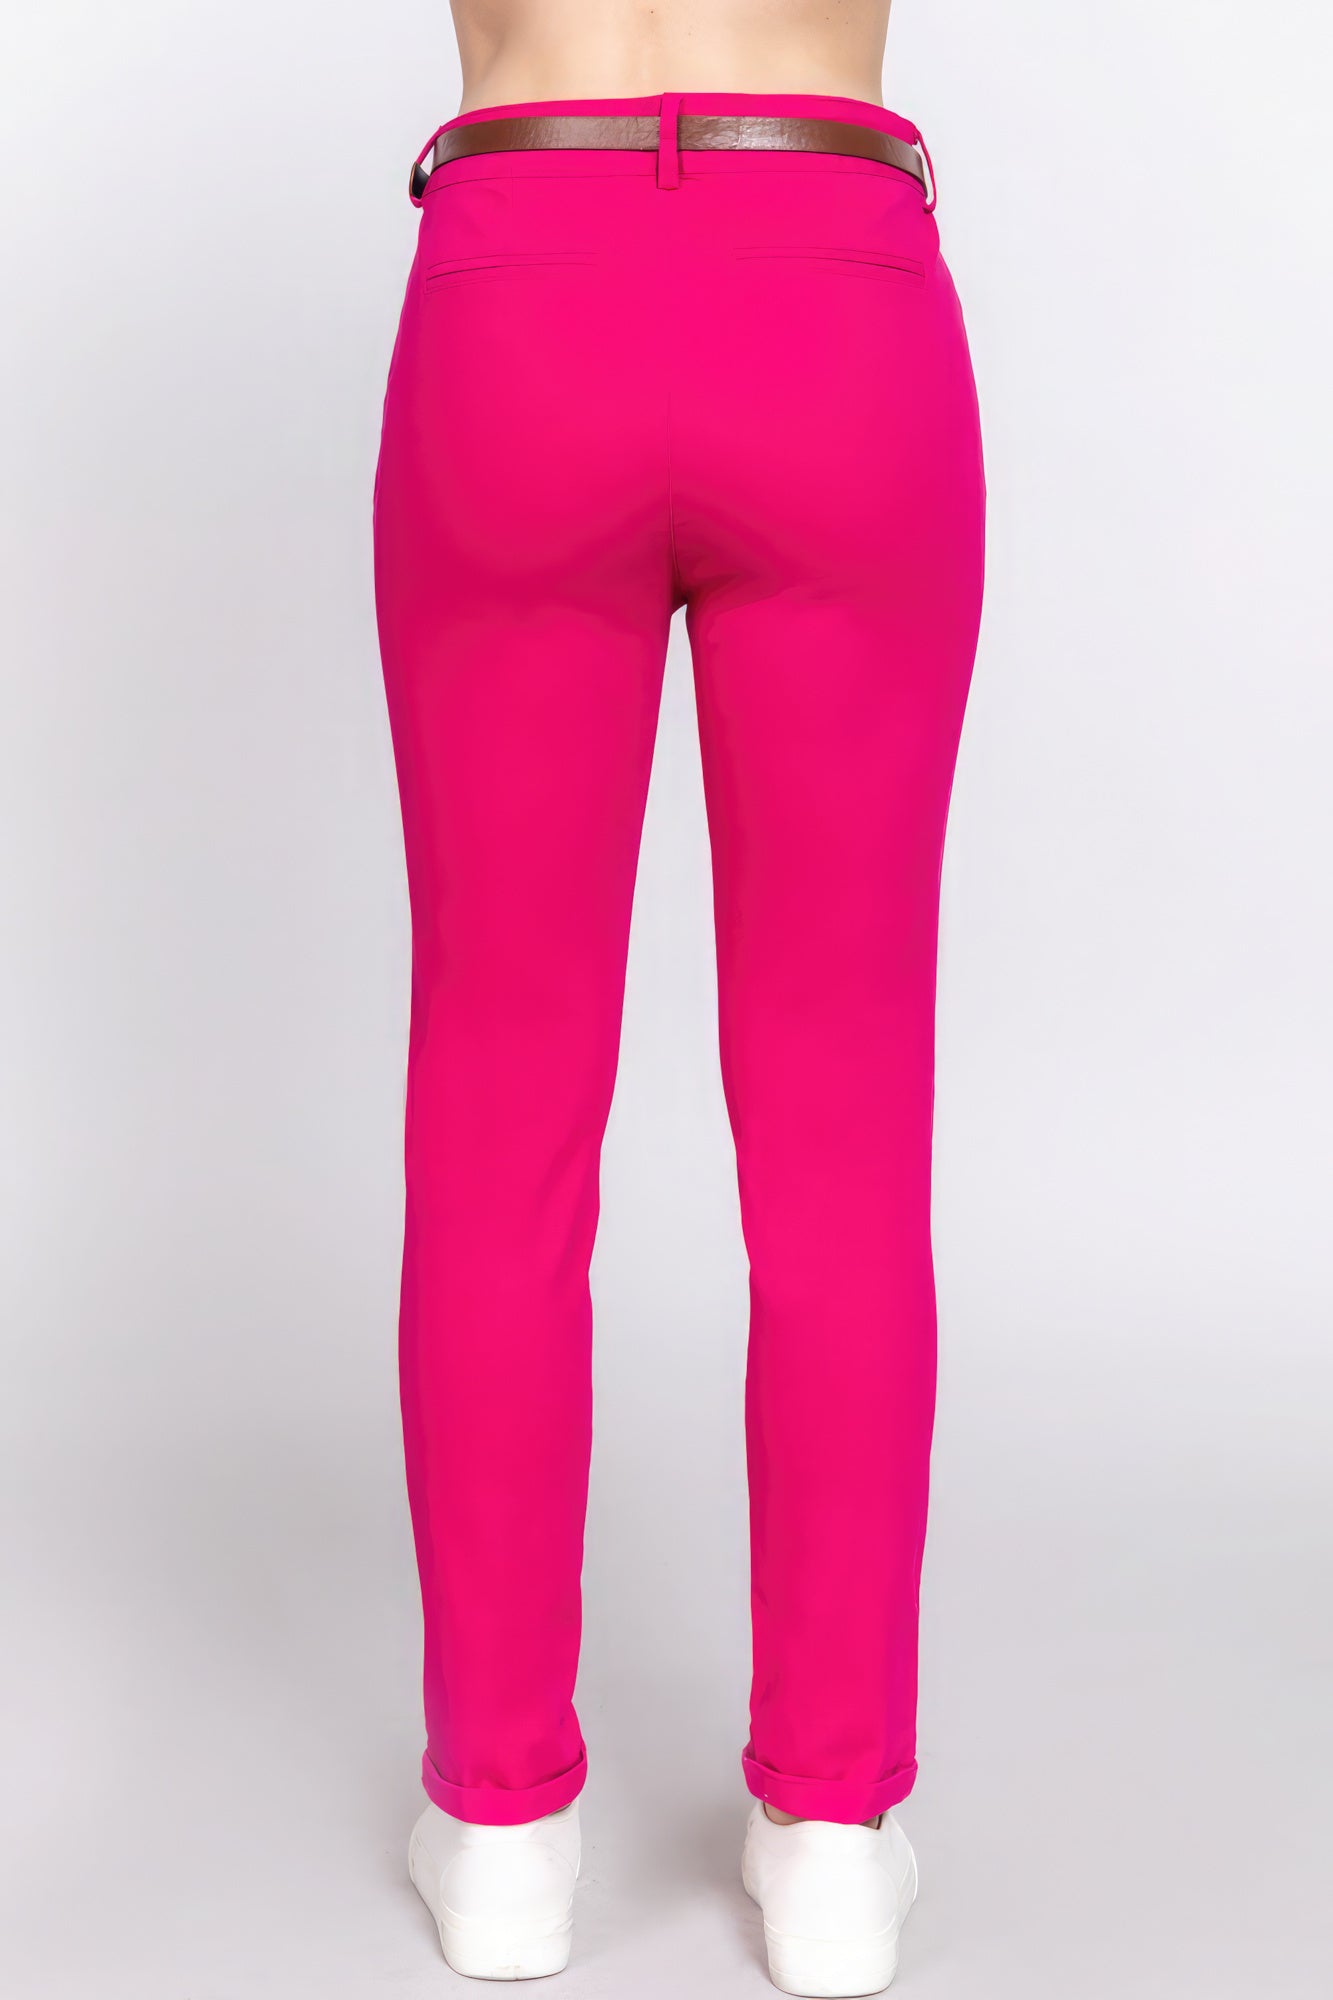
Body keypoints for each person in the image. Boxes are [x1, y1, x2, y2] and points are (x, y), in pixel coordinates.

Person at [372, 1, 985, 1990]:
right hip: (829, 283)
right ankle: (828, 1837)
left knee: (494, 1106)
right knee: (842, 1127)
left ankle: (500, 1834)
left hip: (520, 289)